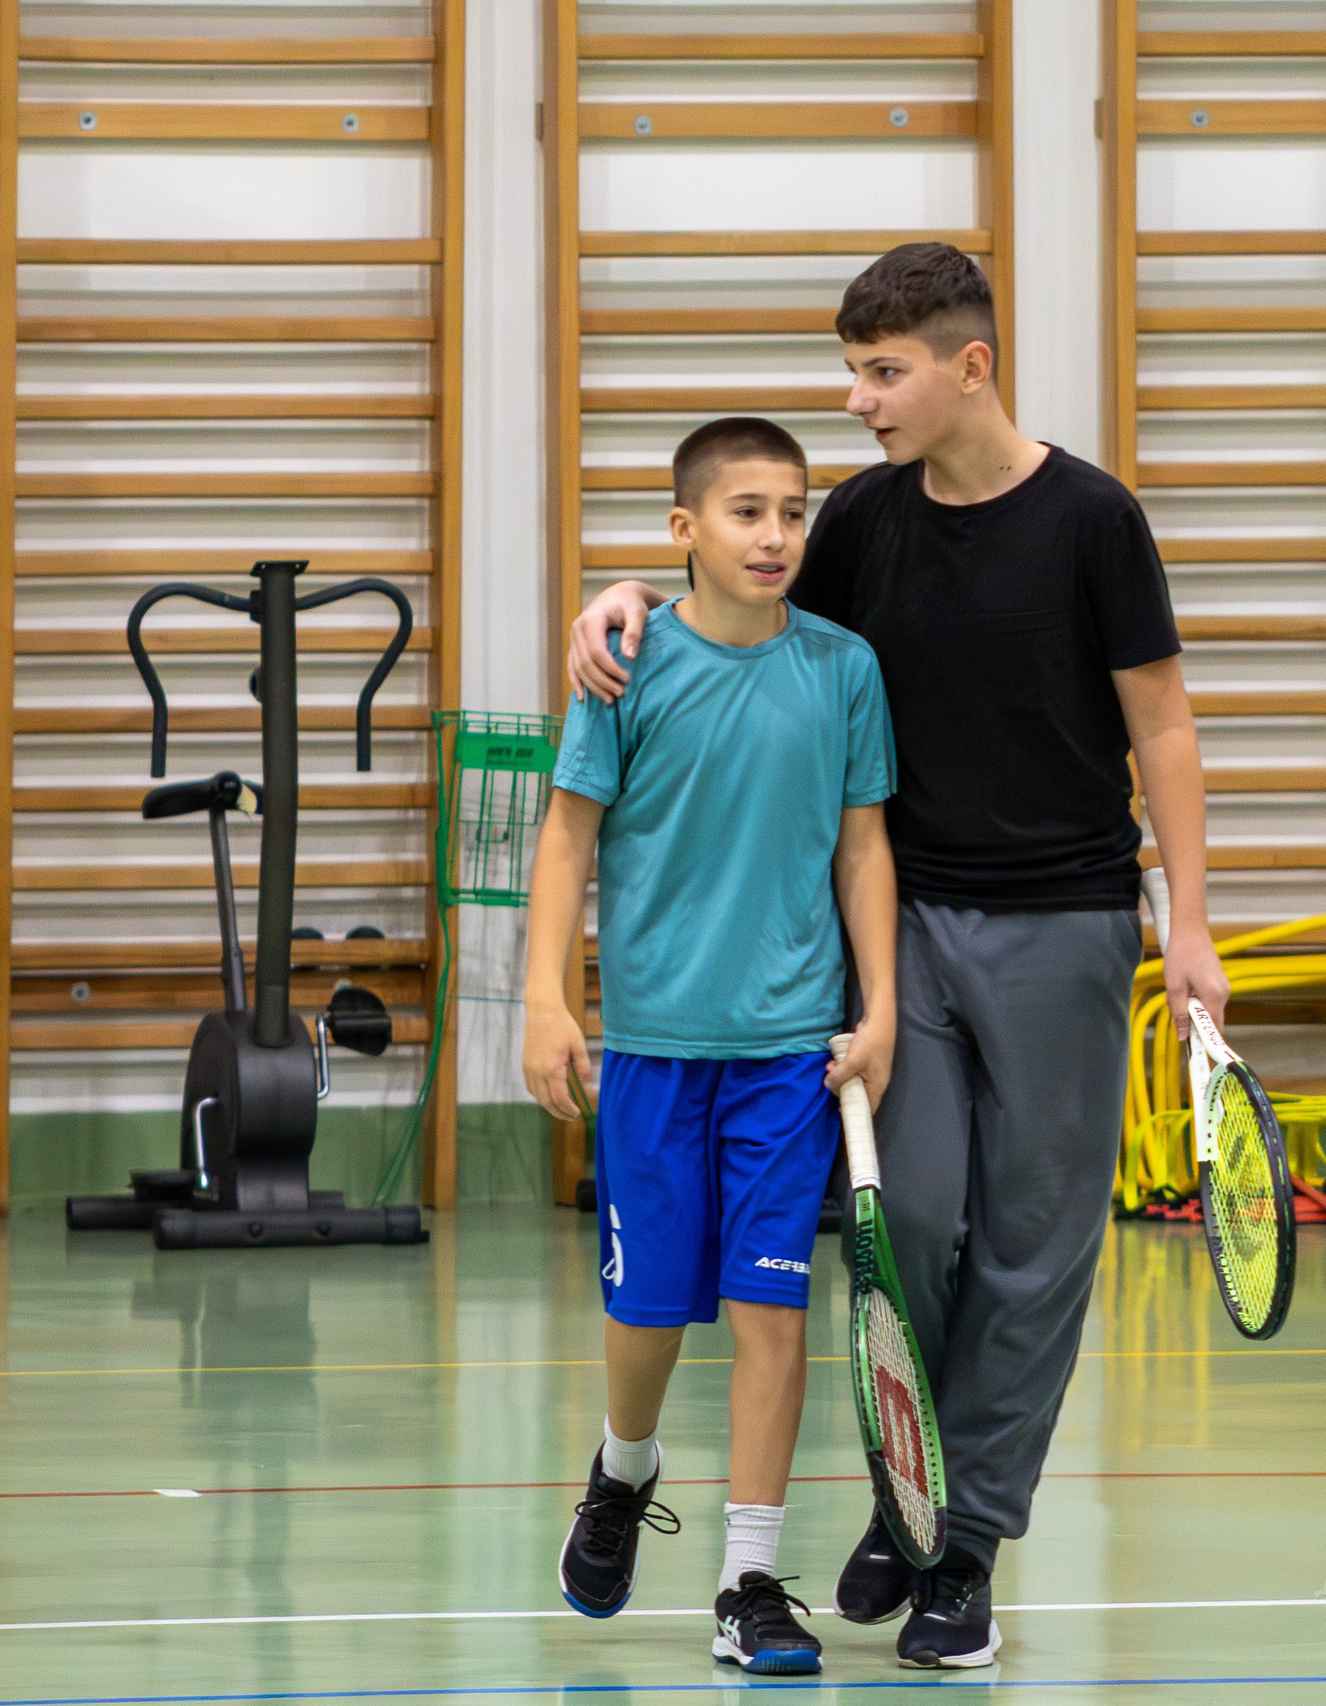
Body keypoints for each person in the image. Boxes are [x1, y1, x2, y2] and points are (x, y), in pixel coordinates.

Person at [566, 244, 1228, 1668]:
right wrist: (616, 590)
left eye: (882, 373)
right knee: (907, 1222)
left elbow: (1163, 727)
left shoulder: (1095, 520)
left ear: (966, 367)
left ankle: (965, 1540)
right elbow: (742, 597)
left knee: (1038, 1251)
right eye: (855, 372)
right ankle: (907, 1495)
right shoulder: (864, 520)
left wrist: (1193, 924)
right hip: (911, 926)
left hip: (1068, 925)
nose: (857, 401)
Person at [524, 418, 900, 1676]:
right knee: (647, 1314)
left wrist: (881, 1005)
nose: (775, 535)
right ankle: (624, 1465)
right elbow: (568, 838)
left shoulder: (844, 668)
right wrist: (543, 998)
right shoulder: (625, 665)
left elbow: (862, 848)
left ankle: (749, 1580)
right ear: (683, 529)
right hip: (649, 1048)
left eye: (792, 511)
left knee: (772, 1314)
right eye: (745, 511)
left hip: (789, 1055)